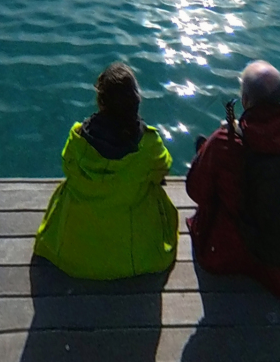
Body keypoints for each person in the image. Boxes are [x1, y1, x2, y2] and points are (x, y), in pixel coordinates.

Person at [32, 62, 179, 279]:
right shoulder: (148, 143)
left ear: (101, 101)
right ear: (135, 101)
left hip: (73, 255)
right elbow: (163, 168)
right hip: (132, 257)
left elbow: (67, 166)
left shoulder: (77, 138)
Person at [185, 60, 280, 300]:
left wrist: (213, 146)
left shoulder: (224, 142)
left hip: (229, 253)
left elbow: (196, 191)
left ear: (245, 100)